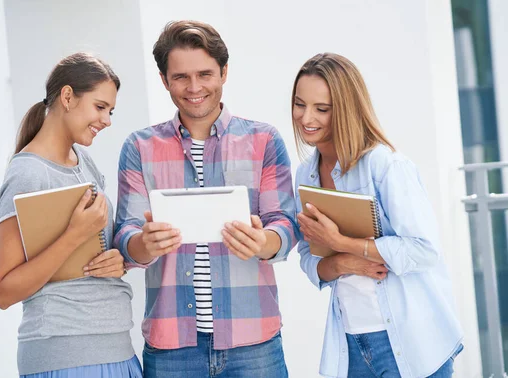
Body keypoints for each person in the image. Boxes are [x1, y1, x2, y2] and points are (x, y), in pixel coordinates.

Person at [114, 20, 298, 378]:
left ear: (224, 72)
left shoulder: (264, 141)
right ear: (165, 80)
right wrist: (144, 245)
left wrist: (264, 242)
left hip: (254, 342)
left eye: (205, 74)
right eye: (181, 77)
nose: (194, 87)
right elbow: (126, 236)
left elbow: (285, 224)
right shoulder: (139, 147)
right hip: (172, 350)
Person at [293, 52, 463, 377]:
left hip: (410, 342)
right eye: (300, 104)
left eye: (322, 108)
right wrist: (342, 262)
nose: (305, 117)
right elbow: (307, 255)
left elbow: (424, 250)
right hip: (351, 343)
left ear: (345, 109)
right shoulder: (305, 174)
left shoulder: (385, 166)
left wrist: (342, 241)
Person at [0, 52, 142, 378]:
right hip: (67, 358)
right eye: (100, 107)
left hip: (116, 349)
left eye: (111, 111)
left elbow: (100, 250)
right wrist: (74, 234)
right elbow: (3, 292)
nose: (107, 120)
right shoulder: (28, 174)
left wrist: (118, 260)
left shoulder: (83, 161)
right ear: (68, 96)